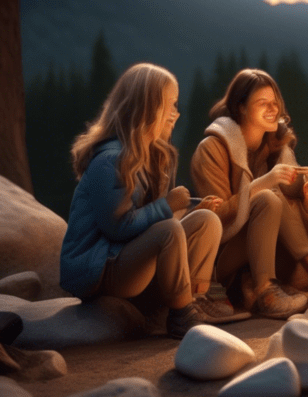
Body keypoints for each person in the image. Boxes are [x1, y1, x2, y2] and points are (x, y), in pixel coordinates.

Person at [60, 63, 224, 339]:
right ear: (146, 108)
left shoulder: (153, 155)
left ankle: (191, 300)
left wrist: (181, 212)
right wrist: (167, 206)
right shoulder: (110, 160)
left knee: (206, 220)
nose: (177, 113)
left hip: (123, 259)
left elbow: (146, 224)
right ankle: (182, 317)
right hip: (101, 269)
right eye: (169, 105)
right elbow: (119, 227)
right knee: (169, 230)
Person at [191, 68, 308, 319]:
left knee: (279, 195)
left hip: (267, 256)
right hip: (223, 257)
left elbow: (305, 231)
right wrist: (263, 183)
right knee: (270, 195)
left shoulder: (277, 149)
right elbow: (215, 219)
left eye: (275, 103)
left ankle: (286, 278)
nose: (273, 110)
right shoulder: (212, 150)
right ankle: (278, 287)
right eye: (262, 103)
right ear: (241, 108)